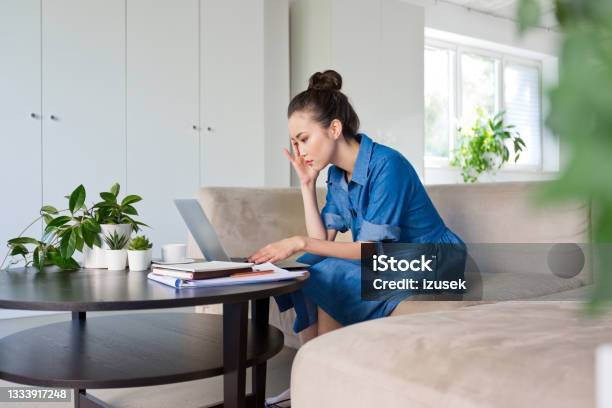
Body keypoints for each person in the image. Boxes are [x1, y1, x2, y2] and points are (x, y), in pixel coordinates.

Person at [247, 70, 465, 408]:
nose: (300, 150)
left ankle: (319, 380)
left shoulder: (387, 165)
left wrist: (299, 241)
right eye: (295, 143)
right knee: (303, 268)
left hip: (435, 261)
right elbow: (323, 239)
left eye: (304, 139)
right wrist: (307, 186)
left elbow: (371, 251)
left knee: (322, 268)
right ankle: (312, 374)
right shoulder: (336, 175)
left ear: (334, 129)